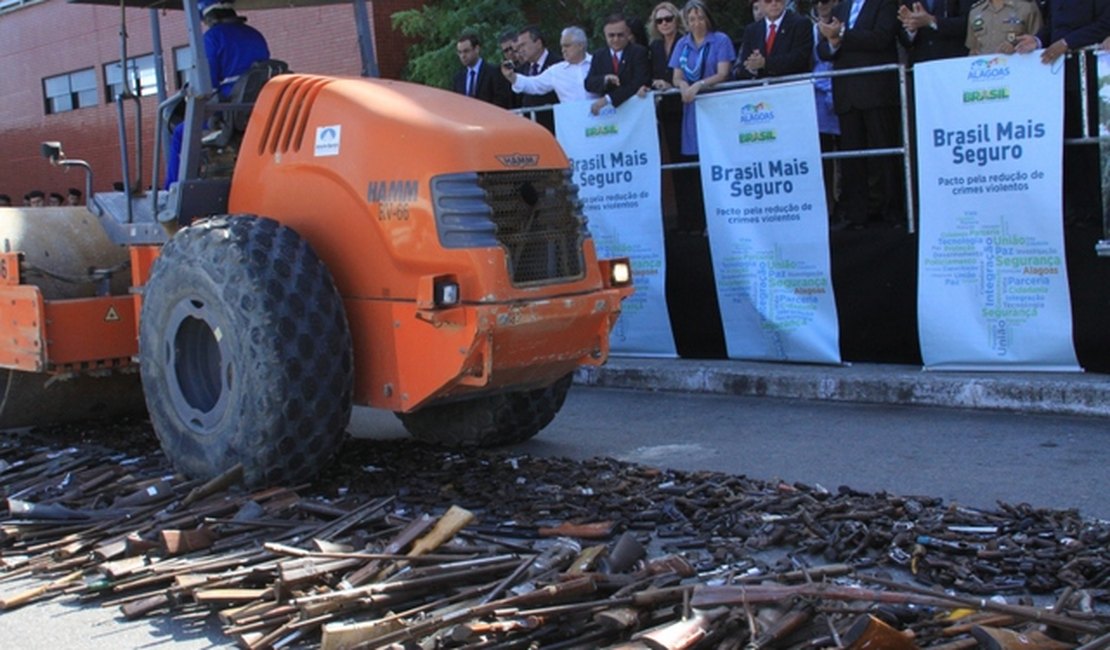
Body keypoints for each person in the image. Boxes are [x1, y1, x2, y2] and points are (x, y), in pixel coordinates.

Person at [1015, 0, 1110, 224]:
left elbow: (1105, 24)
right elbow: (1054, 27)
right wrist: (1037, 40)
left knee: (1093, 150)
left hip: (1091, 76)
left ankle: (1098, 213)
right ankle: (1077, 212)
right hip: (1058, 80)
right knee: (1068, 148)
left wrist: (1067, 43)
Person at [165, 0, 270, 188]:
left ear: (209, 16)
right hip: (256, 109)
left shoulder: (212, 38)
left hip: (226, 111)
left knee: (182, 133)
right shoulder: (257, 36)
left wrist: (189, 91)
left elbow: (207, 85)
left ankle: (172, 191)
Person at [817, 0, 903, 229]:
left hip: (877, 90)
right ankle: (857, 214)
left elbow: (881, 38)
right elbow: (823, 50)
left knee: (885, 153)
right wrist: (833, 42)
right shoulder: (839, 9)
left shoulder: (884, 5)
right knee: (853, 159)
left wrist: (842, 33)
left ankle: (892, 211)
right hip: (847, 93)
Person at [669, 0, 736, 156]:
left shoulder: (720, 40)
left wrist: (700, 84)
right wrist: (683, 85)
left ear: (707, 18)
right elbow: (676, 77)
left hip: (716, 102)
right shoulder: (682, 44)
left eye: (700, 18)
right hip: (693, 104)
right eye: (691, 19)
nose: (696, 23)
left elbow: (723, 73)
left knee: (720, 150)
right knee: (697, 153)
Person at [503, 27, 598, 104]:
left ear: (580, 45)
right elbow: (534, 84)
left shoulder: (598, 63)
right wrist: (512, 77)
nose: (563, 50)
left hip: (602, 123)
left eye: (567, 46)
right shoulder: (556, 71)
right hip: (572, 123)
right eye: (562, 46)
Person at [585, 14, 652, 116]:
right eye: (611, 35)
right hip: (609, 116)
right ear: (605, 35)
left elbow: (639, 82)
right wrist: (605, 79)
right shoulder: (599, 55)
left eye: (620, 35)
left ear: (628, 34)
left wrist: (608, 99)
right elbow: (589, 83)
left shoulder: (639, 52)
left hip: (636, 113)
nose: (616, 39)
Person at [811, 0, 842, 220]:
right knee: (822, 161)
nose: (823, 3)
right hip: (816, 103)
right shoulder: (807, 28)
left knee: (848, 157)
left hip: (845, 93)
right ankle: (827, 209)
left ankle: (846, 206)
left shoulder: (845, 19)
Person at [735, 0, 814, 80]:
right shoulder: (752, 30)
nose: (774, 3)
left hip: (793, 85)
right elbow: (743, 66)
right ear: (761, 3)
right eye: (768, 1)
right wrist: (752, 67)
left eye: (778, 0)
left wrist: (765, 63)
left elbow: (799, 59)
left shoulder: (801, 24)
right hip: (762, 88)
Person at [897, 0, 973, 63]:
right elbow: (902, 35)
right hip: (922, 66)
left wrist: (932, 21)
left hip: (954, 62)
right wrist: (911, 29)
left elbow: (968, 23)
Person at [452, 32, 512, 108]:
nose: (463, 56)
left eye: (466, 51)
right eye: (459, 52)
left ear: (477, 49)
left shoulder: (493, 72)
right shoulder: (458, 78)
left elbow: (501, 100)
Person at [965, 0, 1042, 54]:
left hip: (1018, 69)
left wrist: (1015, 47)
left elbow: (1038, 43)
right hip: (985, 72)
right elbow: (973, 49)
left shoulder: (1027, 7)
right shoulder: (975, 11)